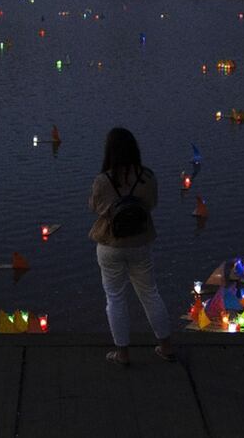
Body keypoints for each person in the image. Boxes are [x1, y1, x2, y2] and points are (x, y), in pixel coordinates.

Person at [88, 127, 175, 365]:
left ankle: (123, 353)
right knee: (150, 293)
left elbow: (95, 207)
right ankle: (166, 347)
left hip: (110, 244)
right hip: (140, 242)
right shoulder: (147, 177)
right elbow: (151, 205)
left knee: (115, 298)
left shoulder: (103, 180)